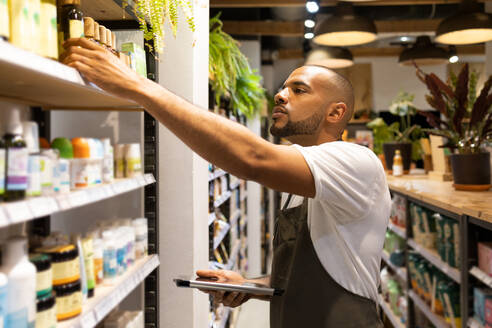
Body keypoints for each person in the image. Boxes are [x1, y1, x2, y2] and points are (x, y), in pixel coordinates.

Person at [62, 38, 391, 327]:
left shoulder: (356, 161)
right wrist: (250, 285)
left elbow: (254, 159)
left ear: (335, 113)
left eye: (298, 90)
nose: (280, 95)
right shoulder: (302, 182)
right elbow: (303, 279)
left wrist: (138, 87)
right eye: (283, 87)